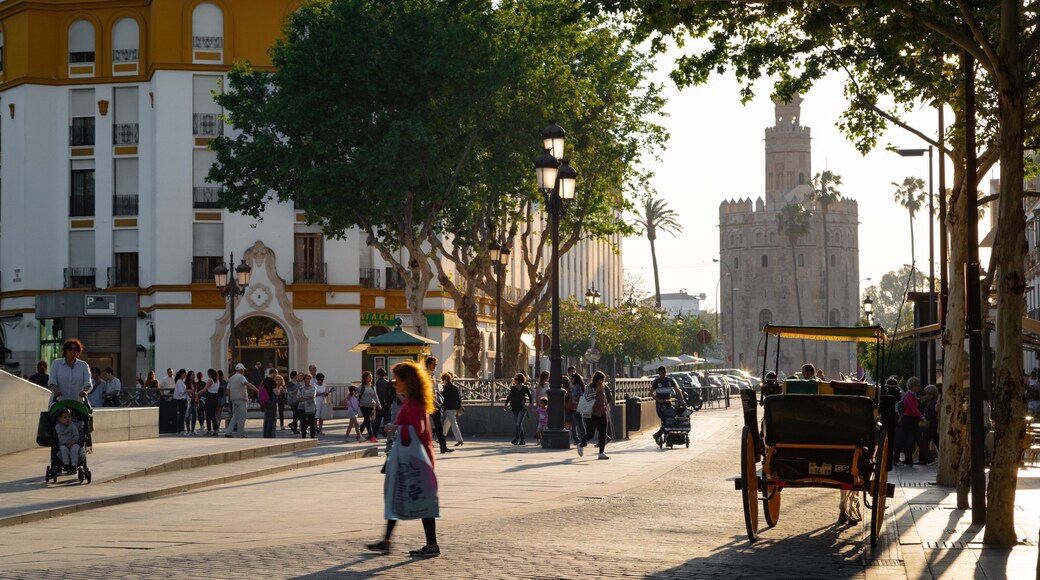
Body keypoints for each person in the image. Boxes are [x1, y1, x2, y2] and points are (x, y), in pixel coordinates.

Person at [366, 360, 441, 558]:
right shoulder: (413, 401)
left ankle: (429, 544)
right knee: (401, 496)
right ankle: (389, 540)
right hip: (413, 458)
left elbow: (418, 429)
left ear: (406, 381)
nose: (394, 383)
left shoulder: (413, 404)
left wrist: (395, 427)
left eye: (397, 380)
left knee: (413, 498)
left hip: (414, 460)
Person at [578, 370, 610, 460]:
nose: (602, 382)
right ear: (597, 379)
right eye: (601, 380)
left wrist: (605, 403)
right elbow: (587, 398)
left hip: (602, 412)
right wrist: (596, 391)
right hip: (591, 413)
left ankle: (601, 452)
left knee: (603, 433)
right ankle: (581, 444)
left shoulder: (603, 387)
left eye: (603, 380)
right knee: (590, 433)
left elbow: (604, 398)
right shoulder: (590, 387)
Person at [48, 339, 92, 405]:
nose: (72, 352)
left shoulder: (83, 365)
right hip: (59, 402)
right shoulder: (56, 363)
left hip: (78, 402)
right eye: (70, 349)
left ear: (78, 352)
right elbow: (52, 381)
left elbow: (88, 383)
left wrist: (85, 391)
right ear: (65, 351)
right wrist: (56, 390)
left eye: (75, 350)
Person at [424, 356, 453, 454]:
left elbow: (434, 390)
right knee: (428, 425)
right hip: (429, 404)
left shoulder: (432, 375)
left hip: (434, 403)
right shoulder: (425, 375)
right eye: (434, 364)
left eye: (436, 364)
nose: (435, 366)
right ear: (428, 365)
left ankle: (443, 446)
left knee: (438, 426)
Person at [894, 377, 925, 466]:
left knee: (907, 439)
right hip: (908, 419)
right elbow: (914, 408)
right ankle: (897, 458)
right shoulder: (909, 395)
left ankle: (905, 459)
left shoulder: (911, 395)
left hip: (910, 419)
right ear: (913, 386)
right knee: (908, 439)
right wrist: (922, 417)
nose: (918, 387)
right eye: (917, 385)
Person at [650, 366, 683, 445]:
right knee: (665, 420)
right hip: (660, 405)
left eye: (663, 373)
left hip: (668, 404)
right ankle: (658, 435)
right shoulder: (656, 382)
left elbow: (677, 390)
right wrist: (658, 400)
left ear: (665, 372)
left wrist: (681, 399)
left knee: (671, 418)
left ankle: (661, 435)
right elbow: (650, 393)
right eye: (660, 373)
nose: (661, 375)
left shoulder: (670, 380)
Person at [225, 363, 258, 438]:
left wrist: (231, 397)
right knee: (242, 418)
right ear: (241, 370)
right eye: (243, 369)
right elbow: (247, 384)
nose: (244, 371)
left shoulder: (231, 378)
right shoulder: (241, 377)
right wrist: (257, 390)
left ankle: (228, 432)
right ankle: (240, 434)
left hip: (234, 400)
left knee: (234, 417)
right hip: (241, 399)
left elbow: (228, 390)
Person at [54, 408, 83, 473]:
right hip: (63, 444)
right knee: (63, 449)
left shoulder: (72, 426)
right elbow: (60, 433)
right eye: (65, 417)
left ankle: (74, 465)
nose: (67, 419)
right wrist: (66, 443)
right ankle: (66, 464)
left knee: (74, 450)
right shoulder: (58, 426)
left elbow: (76, 435)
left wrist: (73, 441)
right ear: (59, 419)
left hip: (74, 443)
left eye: (69, 417)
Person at [440, 372, 463, 447]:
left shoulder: (445, 388)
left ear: (445, 380)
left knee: (453, 424)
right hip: (455, 407)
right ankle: (442, 437)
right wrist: (459, 407)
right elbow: (458, 398)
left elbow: (443, 399)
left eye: (442, 380)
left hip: (449, 408)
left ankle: (459, 440)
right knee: (447, 423)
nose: (442, 381)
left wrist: (441, 406)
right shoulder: (455, 387)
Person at [357, 370, 381, 442]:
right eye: (369, 377)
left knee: (366, 420)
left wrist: (379, 405)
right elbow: (354, 394)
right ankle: (372, 437)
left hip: (371, 406)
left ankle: (359, 434)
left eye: (371, 377)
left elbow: (375, 396)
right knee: (368, 420)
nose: (371, 378)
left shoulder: (372, 387)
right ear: (365, 378)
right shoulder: (361, 387)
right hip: (363, 406)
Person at [567, 366, 585, 444]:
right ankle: (584, 438)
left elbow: (573, 397)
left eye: (572, 379)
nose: (571, 380)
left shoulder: (575, 387)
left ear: (574, 379)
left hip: (575, 407)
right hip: (580, 405)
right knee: (580, 423)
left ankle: (576, 439)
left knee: (574, 423)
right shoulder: (581, 385)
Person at [375, 367, 395, 435]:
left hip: (381, 403)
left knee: (378, 419)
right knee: (387, 419)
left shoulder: (378, 382)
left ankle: (375, 433)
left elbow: (379, 393)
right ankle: (386, 432)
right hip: (387, 403)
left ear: (378, 374)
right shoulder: (387, 382)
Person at [261, 368, 279, 439]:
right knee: (271, 419)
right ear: (273, 373)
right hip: (271, 400)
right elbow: (276, 393)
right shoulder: (272, 381)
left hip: (266, 401)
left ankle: (265, 435)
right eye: (276, 373)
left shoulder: (264, 381)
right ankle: (270, 435)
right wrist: (280, 389)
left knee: (266, 418)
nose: (276, 375)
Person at [298, 374, 317, 438]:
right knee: (303, 422)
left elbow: (312, 396)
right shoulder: (301, 388)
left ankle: (312, 437)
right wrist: (307, 397)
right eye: (306, 379)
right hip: (302, 407)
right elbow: (298, 397)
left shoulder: (313, 387)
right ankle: (303, 437)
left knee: (311, 422)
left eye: (309, 379)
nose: (307, 380)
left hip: (311, 406)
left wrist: (304, 397)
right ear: (304, 380)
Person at [201, 369, 220, 436]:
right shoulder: (217, 380)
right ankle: (215, 430)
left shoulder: (210, 380)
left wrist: (197, 393)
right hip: (215, 398)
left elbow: (205, 389)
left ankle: (209, 430)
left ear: (210, 374)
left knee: (208, 415)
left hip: (210, 397)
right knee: (213, 415)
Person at [172, 369, 188, 435]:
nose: (186, 374)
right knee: (182, 416)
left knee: (182, 416)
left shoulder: (181, 381)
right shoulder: (179, 382)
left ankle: (181, 430)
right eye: (185, 373)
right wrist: (187, 391)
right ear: (182, 374)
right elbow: (180, 392)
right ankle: (181, 430)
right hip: (181, 400)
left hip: (182, 400)